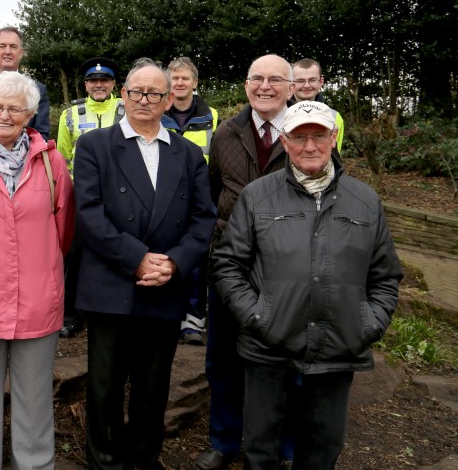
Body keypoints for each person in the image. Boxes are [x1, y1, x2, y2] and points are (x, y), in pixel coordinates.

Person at [211, 101, 401, 469]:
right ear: (284, 141)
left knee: (323, 447)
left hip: (339, 348)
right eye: (299, 137)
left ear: (334, 139)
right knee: (261, 449)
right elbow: (228, 264)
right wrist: (257, 317)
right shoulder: (257, 196)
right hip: (268, 347)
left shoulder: (365, 201)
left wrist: (368, 322)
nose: (309, 146)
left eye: (318, 136)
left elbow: (385, 275)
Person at [74, 58, 216, 470]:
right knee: (104, 386)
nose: (145, 100)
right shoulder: (94, 146)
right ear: (124, 95)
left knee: (153, 386)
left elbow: (203, 218)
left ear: (169, 99)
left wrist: (172, 263)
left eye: (155, 93)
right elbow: (89, 213)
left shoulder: (188, 155)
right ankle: (104, 461)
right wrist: (136, 258)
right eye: (137, 91)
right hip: (110, 284)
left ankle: (143, 459)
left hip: (164, 285)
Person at [0, 71, 75, 469]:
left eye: (14, 108)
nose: (4, 115)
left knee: (35, 395)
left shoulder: (53, 161)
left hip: (39, 299)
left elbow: (63, 229)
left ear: (30, 114)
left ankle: (35, 464)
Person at [196, 54, 296, 470]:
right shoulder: (226, 134)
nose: (265, 86)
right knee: (223, 358)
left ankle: (284, 446)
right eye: (257, 78)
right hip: (231, 267)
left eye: (276, 79)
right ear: (246, 85)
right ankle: (224, 440)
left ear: (292, 87)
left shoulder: (308, 132)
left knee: (288, 358)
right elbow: (213, 190)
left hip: (288, 270)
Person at [55, 56, 124, 339]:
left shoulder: (125, 108)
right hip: (80, 197)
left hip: (120, 195)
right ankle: (70, 314)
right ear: (85, 85)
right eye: (93, 81)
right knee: (74, 256)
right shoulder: (69, 115)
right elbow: (61, 157)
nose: (99, 85)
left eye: (104, 80)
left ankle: (112, 310)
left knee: (115, 254)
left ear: (113, 84)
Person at [162, 56, 219, 346]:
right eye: (175, 78)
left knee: (196, 259)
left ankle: (194, 320)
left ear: (195, 83)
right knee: (167, 257)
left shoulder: (213, 117)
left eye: (185, 78)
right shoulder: (157, 114)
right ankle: (170, 316)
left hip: (199, 199)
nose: (180, 83)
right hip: (164, 201)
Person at [290, 58, 345, 152]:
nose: (307, 85)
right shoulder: (279, 114)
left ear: (321, 81)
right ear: (291, 82)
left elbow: (334, 158)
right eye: (300, 81)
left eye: (312, 80)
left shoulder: (334, 117)